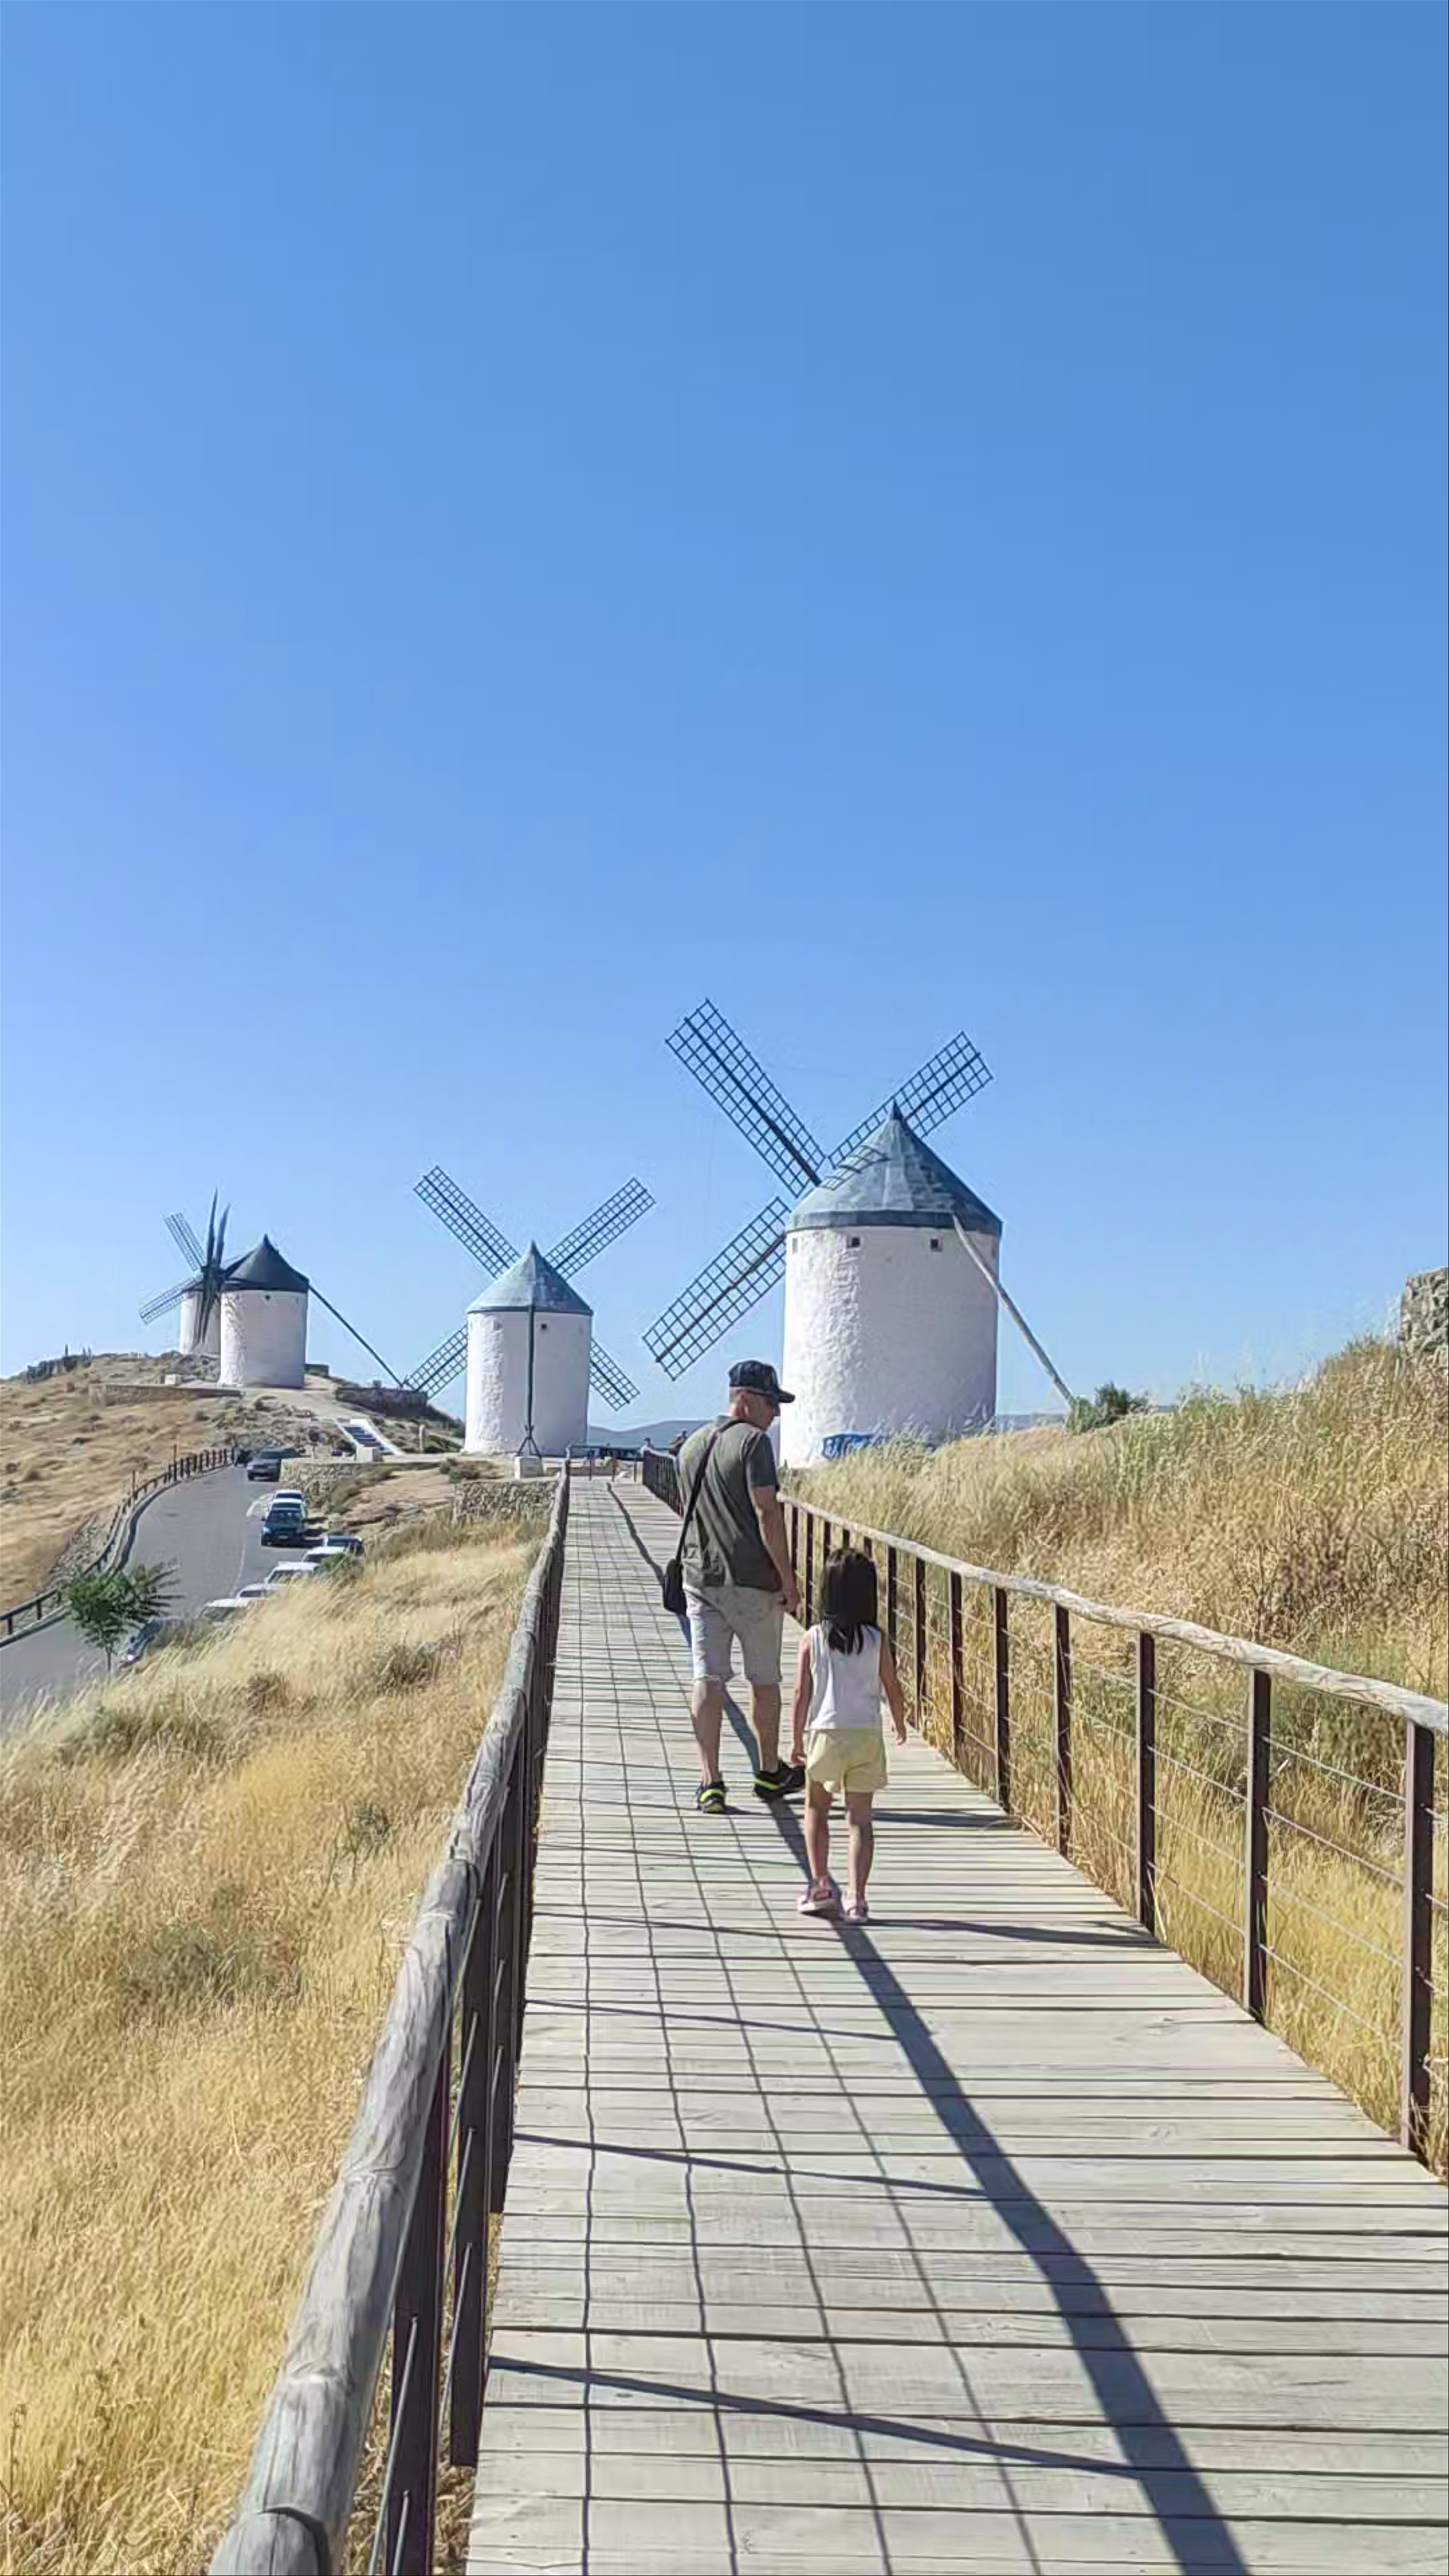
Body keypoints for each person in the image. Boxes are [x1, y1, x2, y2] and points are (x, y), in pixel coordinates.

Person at [677, 1360, 803, 1814]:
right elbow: (767, 1512)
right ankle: (769, 1772)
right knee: (764, 1679)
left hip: (700, 1579)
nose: (776, 1413)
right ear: (747, 1399)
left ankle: (710, 1780)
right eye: (772, 1403)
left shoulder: (691, 1445)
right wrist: (789, 1581)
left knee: (707, 1677)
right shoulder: (754, 1443)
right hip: (752, 1581)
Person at [789, 1547, 906, 1922]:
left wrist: (795, 1739)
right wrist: (900, 1721)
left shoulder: (813, 1638)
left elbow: (800, 1694)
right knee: (860, 1820)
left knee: (816, 1810)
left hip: (825, 1732)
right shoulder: (877, 1639)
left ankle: (821, 1883)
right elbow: (892, 1686)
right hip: (866, 1735)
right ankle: (857, 1897)